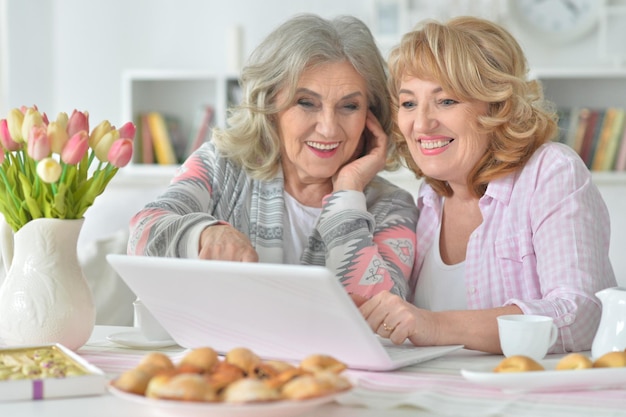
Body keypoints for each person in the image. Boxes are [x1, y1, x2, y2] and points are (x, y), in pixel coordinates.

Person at [354, 16, 616, 353]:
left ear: (496, 106)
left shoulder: (551, 172)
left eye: (446, 100)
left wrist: (433, 325)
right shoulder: (429, 199)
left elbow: (582, 315)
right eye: (408, 103)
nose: (421, 123)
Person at [127, 13, 418, 299]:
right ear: (269, 105)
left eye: (349, 106)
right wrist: (204, 234)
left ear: (371, 116)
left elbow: (384, 313)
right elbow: (142, 232)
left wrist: (348, 194)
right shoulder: (221, 167)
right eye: (306, 102)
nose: (329, 128)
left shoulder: (391, 207)